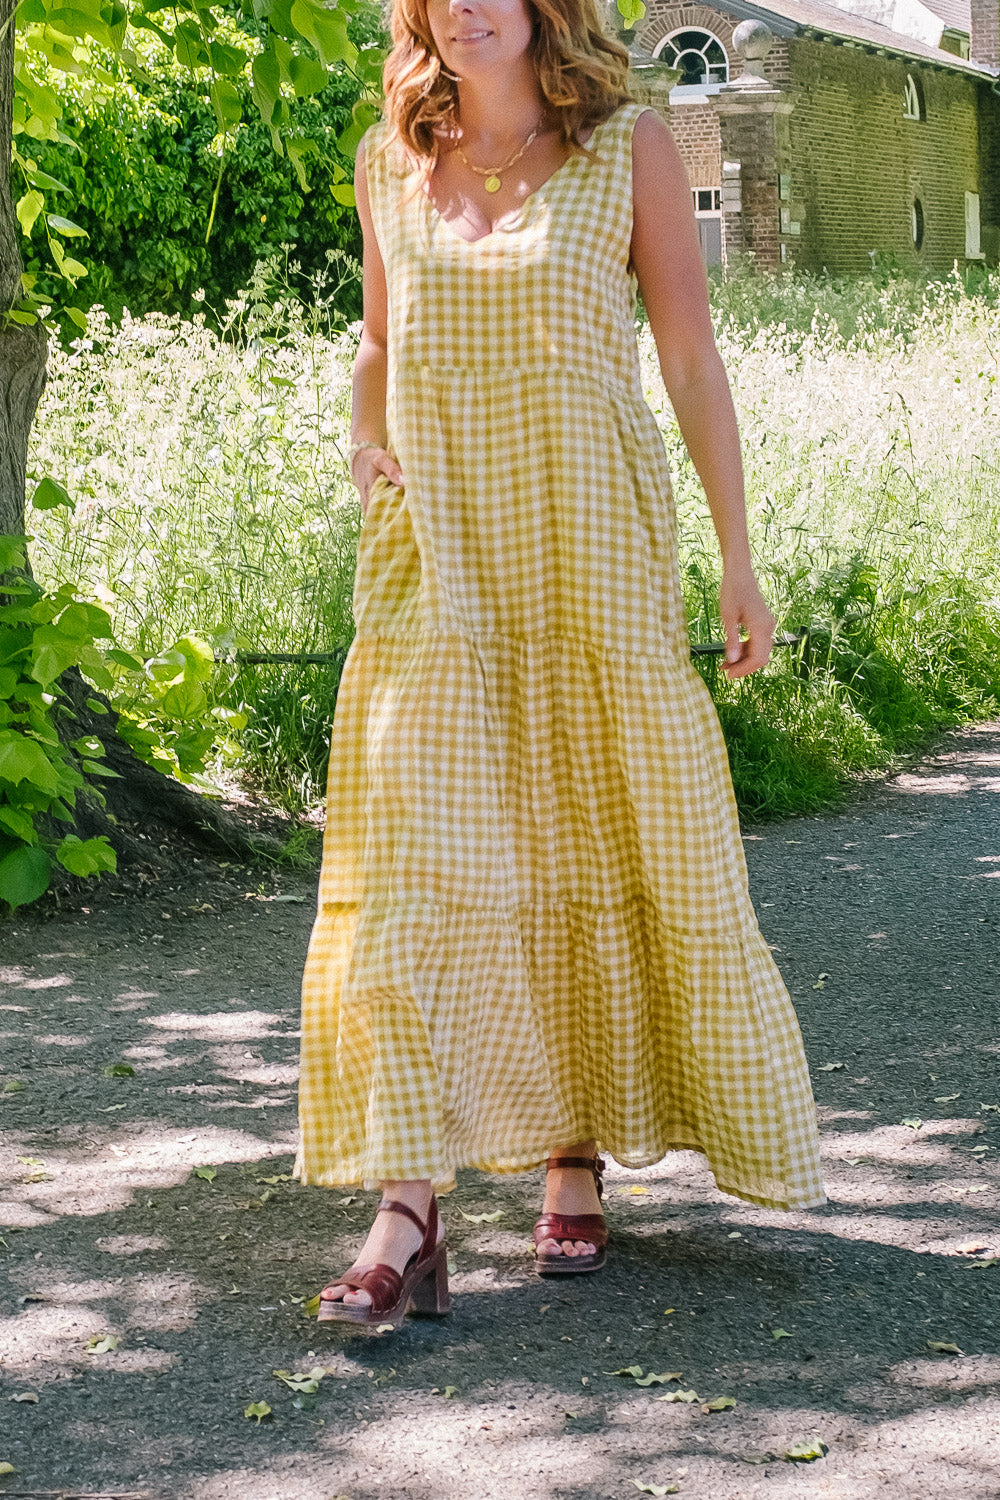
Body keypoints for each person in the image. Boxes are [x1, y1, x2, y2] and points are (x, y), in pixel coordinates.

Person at [294, 0, 826, 1326]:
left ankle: (571, 1145)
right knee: (419, 864)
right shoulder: (388, 159)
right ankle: (406, 1207)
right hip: (439, 562)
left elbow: (690, 356)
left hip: (590, 545)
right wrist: (367, 441)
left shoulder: (634, 144)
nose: (464, 7)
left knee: (580, 836)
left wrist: (742, 560)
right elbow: (375, 344)